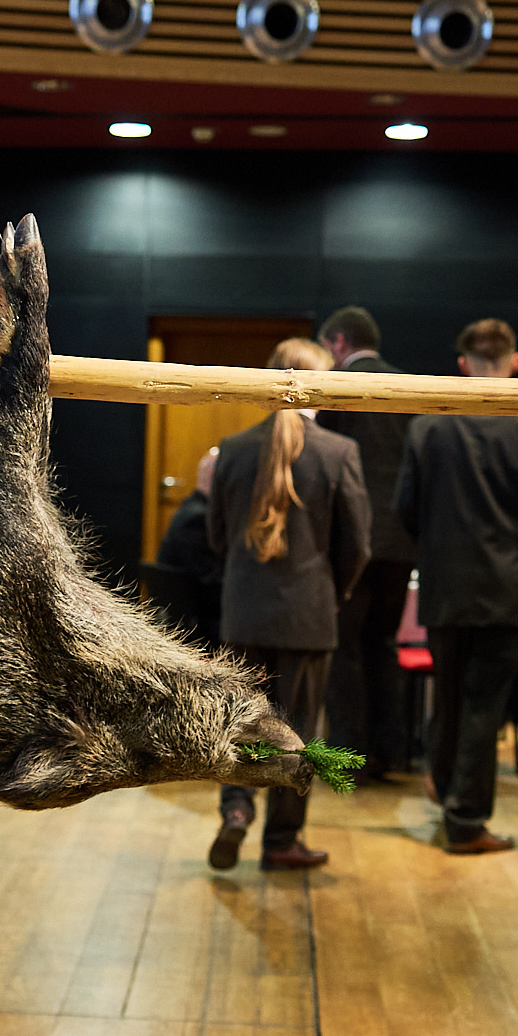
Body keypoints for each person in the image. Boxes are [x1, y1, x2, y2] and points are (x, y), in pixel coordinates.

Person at [394, 318, 518, 855]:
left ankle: (447, 793)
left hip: (444, 586)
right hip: (508, 585)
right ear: (515, 362)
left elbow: (405, 509)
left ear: (463, 364)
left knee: (448, 698)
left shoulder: (427, 426)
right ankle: (466, 822)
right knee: (484, 705)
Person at [206, 338, 370, 872]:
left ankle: (236, 811)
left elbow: (216, 537)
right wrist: (331, 593)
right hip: (308, 616)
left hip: (243, 613)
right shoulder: (338, 453)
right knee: (297, 733)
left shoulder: (232, 449)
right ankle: (281, 841)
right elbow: (357, 548)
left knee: (241, 723)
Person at [314, 304, 414, 780]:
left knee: (345, 649)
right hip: (400, 540)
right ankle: (390, 754)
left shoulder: (337, 387)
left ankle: (349, 757)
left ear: (338, 342)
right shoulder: (408, 387)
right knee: (384, 646)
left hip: (351, 541)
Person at [148, 446, 223, 648]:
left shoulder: (190, 509)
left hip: (191, 619)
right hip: (196, 629)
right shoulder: (197, 519)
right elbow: (211, 584)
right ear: (215, 476)